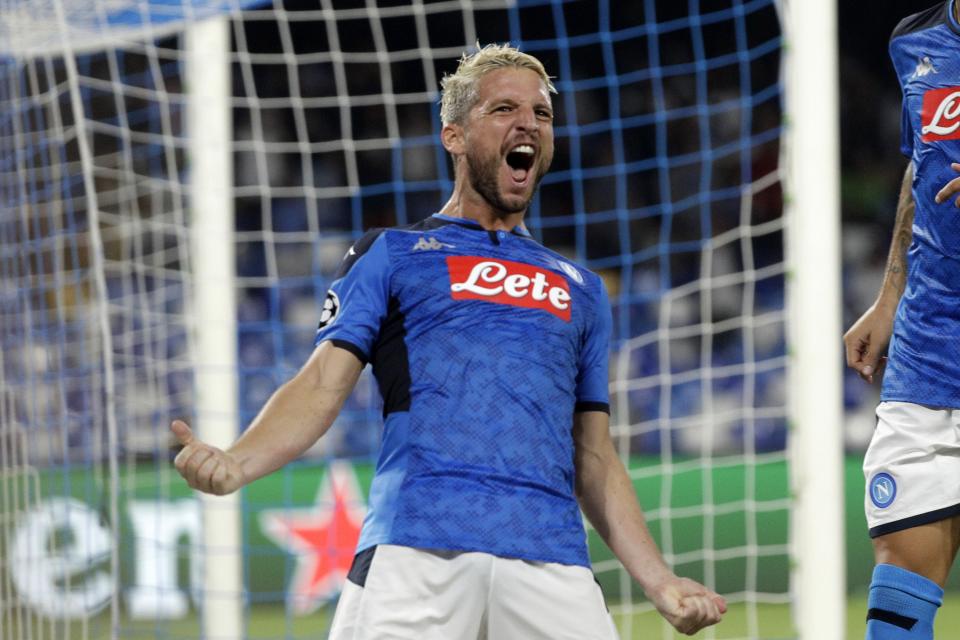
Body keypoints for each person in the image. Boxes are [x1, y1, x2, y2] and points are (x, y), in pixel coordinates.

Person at [171, 43, 726, 639]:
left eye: (541, 114)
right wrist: (237, 463)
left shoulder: (582, 289)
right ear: (454, 136)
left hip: (551, 557)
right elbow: (320, 384)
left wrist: (659, 581)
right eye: (504, 109)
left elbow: (593, 453)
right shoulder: (393, 253)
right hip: (417, 547)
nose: (527, 124)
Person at [844, 2, 960, 638]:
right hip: (929, 352)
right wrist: (890, 297)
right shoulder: (916, 39)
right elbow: (921, 169)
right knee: (895, 619)